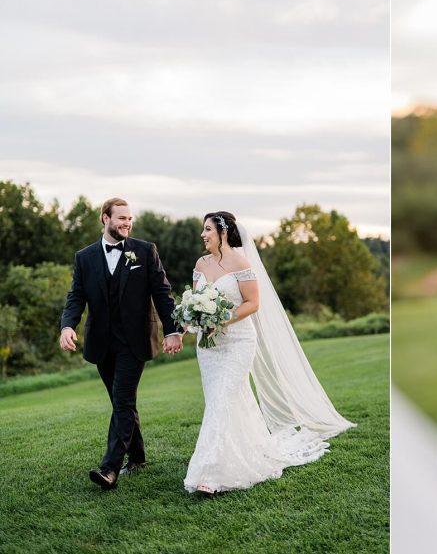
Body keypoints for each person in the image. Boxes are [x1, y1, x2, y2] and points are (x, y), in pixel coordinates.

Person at [183, 211, 355, 494]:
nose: (203, 235)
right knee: (223, 400)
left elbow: (253, 303)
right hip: (209, 348)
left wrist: (221, 321)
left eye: (207, 229)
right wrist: (196, 318)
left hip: (238, 341)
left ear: (223, 232)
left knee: (222, 401)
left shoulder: (241, 262)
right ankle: (241, 452)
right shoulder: (200, 264)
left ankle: (209, 473)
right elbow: (198, 300)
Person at [60, 197, 183, 489]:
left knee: (124, 400)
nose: (127, 223)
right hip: (102, 342)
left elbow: (162, 293)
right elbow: (76, 296)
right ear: (105, 218)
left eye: (130, 219)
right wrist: (67, 325)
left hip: (135, 340)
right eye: (121, 218)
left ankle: (110, 469)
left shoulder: (144, 251)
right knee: (121, 403)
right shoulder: (85, 257)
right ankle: (138, 457)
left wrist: (172, 330)